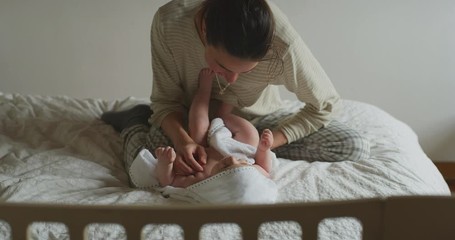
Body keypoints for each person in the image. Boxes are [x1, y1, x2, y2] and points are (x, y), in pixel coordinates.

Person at [102, 0, 370, 190]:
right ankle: (135, 119)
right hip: (195, 121)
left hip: (257, 123)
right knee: (148, 167)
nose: (231, 80)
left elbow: (325, 104)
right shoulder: (170, 23)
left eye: (246, 71)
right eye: (222, 67)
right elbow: (166, 102)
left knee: (351, 145)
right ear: (205, 31)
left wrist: (261, 147)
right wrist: (184, 143)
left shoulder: (283, 46)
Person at [155, 68, 275, 188]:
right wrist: (264, 149)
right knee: (251, 135)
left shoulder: (202, 180)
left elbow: (169, 181)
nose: (232, 159)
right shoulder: (250, 176)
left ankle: (203, 90)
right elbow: (264, 168)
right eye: (240, 163)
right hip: (238, 147)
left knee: (198, 126)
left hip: (203, 148)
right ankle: (224, 114)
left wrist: (165, 163)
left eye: (225, 167)